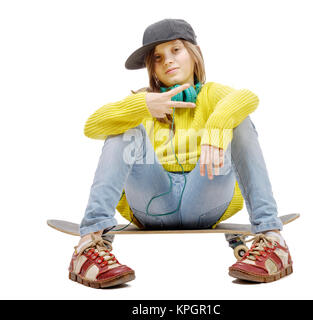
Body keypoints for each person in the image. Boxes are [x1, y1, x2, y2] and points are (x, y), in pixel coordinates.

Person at [68, 18, 293, 288]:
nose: (168, 61)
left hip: (206, 196)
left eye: (176, 50)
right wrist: (141, 105)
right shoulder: (143, 101)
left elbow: (248, 98)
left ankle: (271, 236)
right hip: (151, 204)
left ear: (193, 54)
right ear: (152, 67)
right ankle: (88, 244)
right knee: (124, 128)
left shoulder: (212, 94)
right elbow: (92, 126)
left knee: (239, 120)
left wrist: (217, 128)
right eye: (158, 57)